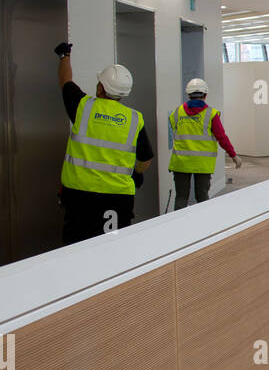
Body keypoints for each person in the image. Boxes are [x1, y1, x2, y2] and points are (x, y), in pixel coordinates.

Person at [54, 42, 152, 244]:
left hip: (79, 198)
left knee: (76, 249)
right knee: (112, 250)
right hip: (116, 200)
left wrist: (65, 55)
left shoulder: (82, 107)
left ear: (100, 87)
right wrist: (136, 174)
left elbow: (65, 81)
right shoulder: (134, 119)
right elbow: (145, 160)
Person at [168, 78, 241, 207]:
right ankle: (204, 225)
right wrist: (233, 155)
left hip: (180, 162)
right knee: (202, 196)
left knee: (181, 196)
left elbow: (173, 130)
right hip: (202, 164)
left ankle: (178, 226)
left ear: (188, 94)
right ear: (205, 95)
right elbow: (221, 137)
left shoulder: (177, 112)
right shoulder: (211, 114)